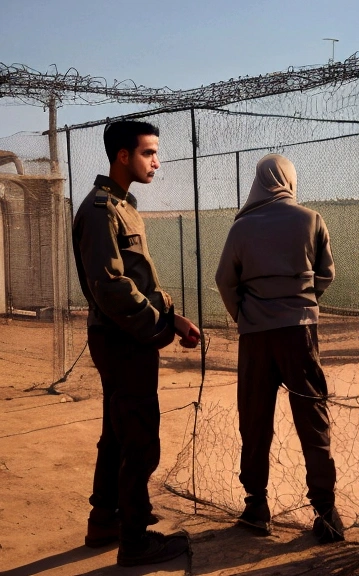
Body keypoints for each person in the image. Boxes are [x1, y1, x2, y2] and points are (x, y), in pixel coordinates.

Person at [73, 120, 199, 567]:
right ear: (122, 156)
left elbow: (137, 280)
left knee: (117, 434)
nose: (156, 162)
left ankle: (104, 520)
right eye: (149, 153)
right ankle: (135, 538)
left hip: (124, 335)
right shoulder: (100, 209)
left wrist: (173, 317)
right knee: (140, 439)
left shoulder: (123, 205)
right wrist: (159, 328)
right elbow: (111, 287)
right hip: (123, 339)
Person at [215, 154, 343, 543]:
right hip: (299, 335)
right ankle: (327, 513)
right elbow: (327, 273)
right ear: (289, 179)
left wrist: (246, 315)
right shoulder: (311, 219)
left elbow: (225, 280)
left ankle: (256, 507)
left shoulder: (241, 227)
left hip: (256, 338)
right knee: (312, 417)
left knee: (254, 420)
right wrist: (302, 299)